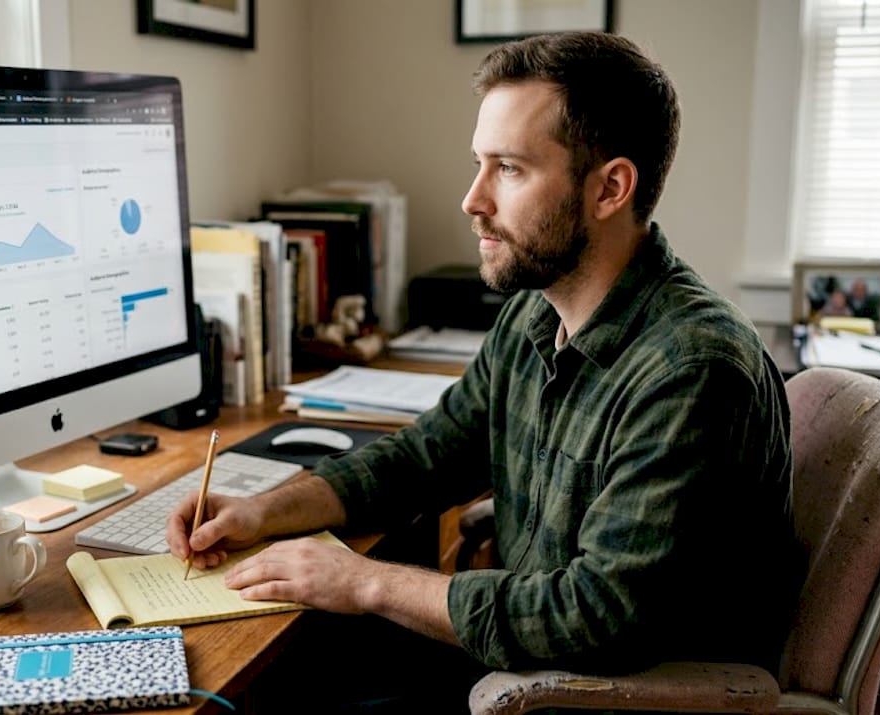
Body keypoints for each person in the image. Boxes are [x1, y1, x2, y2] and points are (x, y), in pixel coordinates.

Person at [167, 31, 799, 711]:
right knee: (297, 668)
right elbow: (426, 455)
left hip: (608, 693)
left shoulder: (692, 370)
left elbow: (594, 616)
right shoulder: (536, 312)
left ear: (610, 188)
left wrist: (363, 581)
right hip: (522, 659)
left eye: (510, 168)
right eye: (479, 163)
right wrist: (267, 510)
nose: (472, 199)